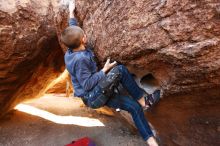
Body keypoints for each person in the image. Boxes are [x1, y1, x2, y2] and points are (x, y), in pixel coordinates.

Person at [61, 0, 160, 145]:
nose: (85, 35)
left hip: (96, 93)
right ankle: (143, 100)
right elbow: (87, 84)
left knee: (134, 107)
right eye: (84, 35)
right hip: (92, 95)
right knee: (119, 70)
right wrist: (104, 70)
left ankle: (152, 142)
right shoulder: (80, 59)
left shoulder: (70, 49)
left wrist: (71, 11)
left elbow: (72, 30)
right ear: (83, 39)